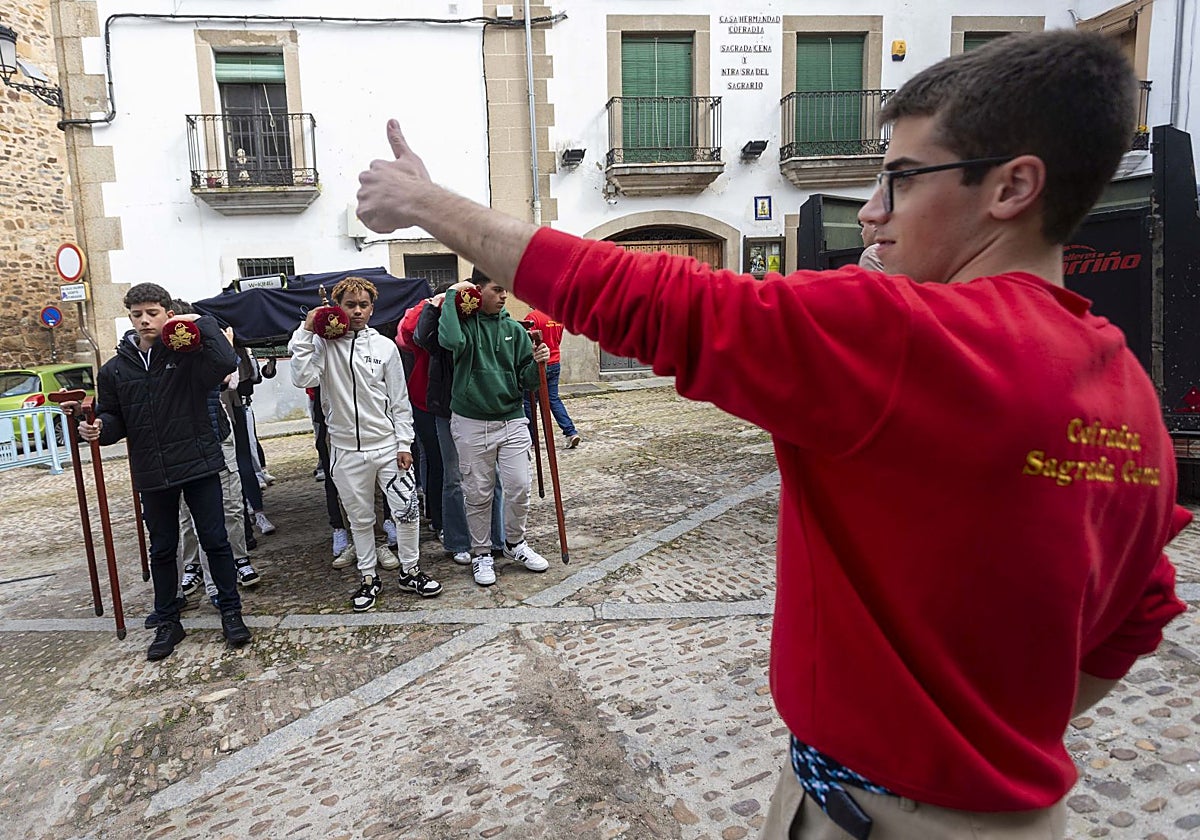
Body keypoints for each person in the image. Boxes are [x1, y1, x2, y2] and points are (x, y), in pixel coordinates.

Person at [356, 30, 1188, 839]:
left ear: (1011, 189)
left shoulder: (906, 335)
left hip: (882, 817)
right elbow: (1140, 610)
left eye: (900, 179)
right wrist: (984, 734)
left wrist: (424, 204)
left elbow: (651, 301)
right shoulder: (1128, 390)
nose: (871, 210)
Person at [75, 282, 252, 661]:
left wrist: (199, 321)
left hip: (198, 463)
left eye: (152, 312)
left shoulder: (186, 357)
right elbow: (114, 417)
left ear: (167, 314)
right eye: (137, 314)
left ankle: (230, 611)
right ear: (130, 317)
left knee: (216, 540)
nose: (144, 320)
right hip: (152, 472)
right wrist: (100, 429)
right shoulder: (115, 370)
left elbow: (224, 361)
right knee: (163, 549)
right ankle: (169, 621)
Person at [288, 275, 442, 610]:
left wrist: (404, 444)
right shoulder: (323, 345)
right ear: (337, 308)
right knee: (359, 519)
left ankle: (410, 570)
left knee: (407, 510)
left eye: (363, 305)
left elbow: (400, 401)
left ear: (373, 309)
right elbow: (303, 377)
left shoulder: (385, 347)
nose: (356, 311)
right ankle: (368, 576)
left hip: (387, 446)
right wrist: (306, 329)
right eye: (349, 305)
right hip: (345, 450)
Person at [436, 269, 552, 586]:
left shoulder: (513, 328)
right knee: (478, 493)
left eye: (507, 291)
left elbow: (526, 381)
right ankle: (481, 553)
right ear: (479, 290)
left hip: (511, 418)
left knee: (519, 486)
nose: (504, 296)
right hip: (471, 421)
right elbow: (448, 339)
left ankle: (515, 544)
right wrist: (451, 294)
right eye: (498, 289)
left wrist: (537, 361)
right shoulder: (465, 324)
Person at [414, 284, 508, 568]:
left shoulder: (481, 324)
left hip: (482, 409)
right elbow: (420, 336)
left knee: (492, 476)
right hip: (447, 410)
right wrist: (435, 304)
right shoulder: (442, 328)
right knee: (454, 478)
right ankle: (457, 541)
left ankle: (496, 538)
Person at [522, 308, 581, 448]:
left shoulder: (533, 317)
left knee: (529, 402)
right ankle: (570, 432)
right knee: (553, 399)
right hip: (554, 362)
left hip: (538, 365)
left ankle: (532, 439)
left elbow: (527, 343)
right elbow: (558, 339)